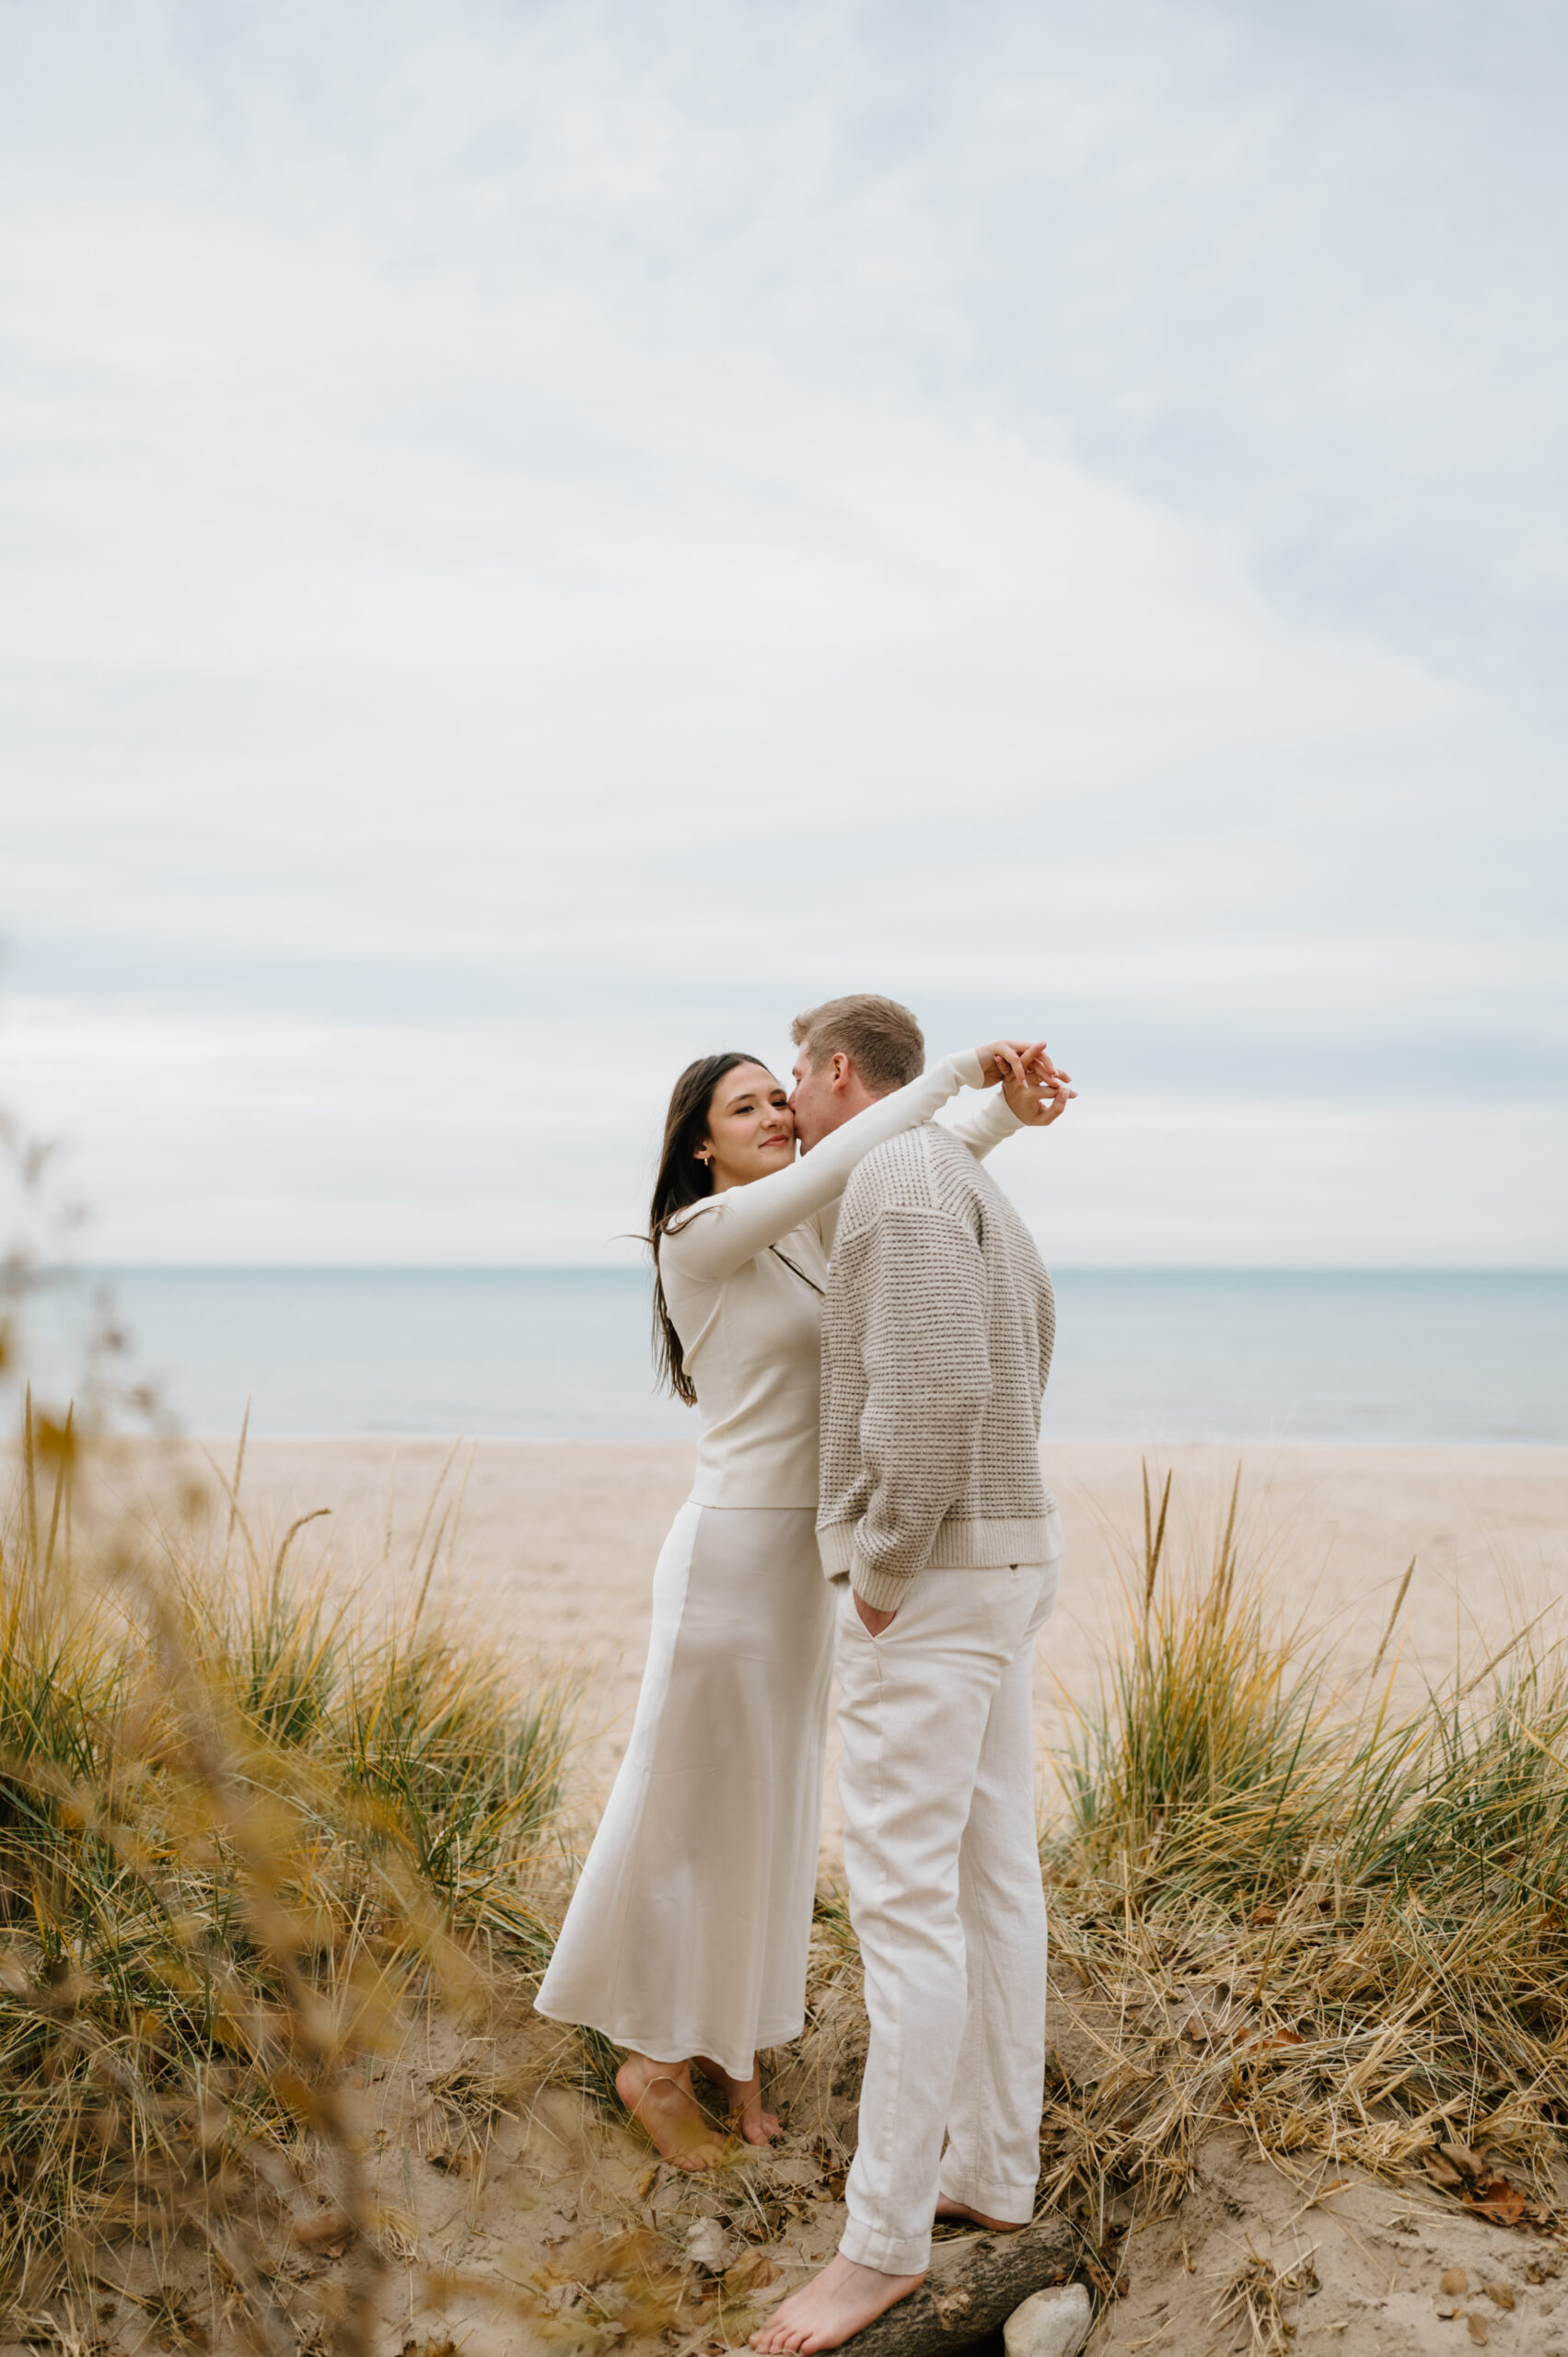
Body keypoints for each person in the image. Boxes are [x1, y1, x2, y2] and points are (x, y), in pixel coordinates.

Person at [535, 1000, 1072, 2172]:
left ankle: (735, 2045)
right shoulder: (705, 1232)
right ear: (698, 1146)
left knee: (773, 1815)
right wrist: (960, 1066)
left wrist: (1006, 1114)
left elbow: (909, 1162)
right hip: (730, 1561)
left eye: (780, 1096)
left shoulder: (806, 1222)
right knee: (688, 1813)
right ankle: (652, 2061)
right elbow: (858, 1146)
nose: (777, 1112)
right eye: (747, 1105)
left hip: (806, 1565)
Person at [752, 992, 1068, 2356]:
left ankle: (878, 2242)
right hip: (1004, 1556)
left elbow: (929, 1390)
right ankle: (990, 2173)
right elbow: (1029, 1345)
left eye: (790, 1084)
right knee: (992, 1875)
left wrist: (879, 1564)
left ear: (833, 1075)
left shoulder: (887, 1171)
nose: (787, 1113)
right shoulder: (951, 1176)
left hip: (932, 1583)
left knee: (900, 1906)